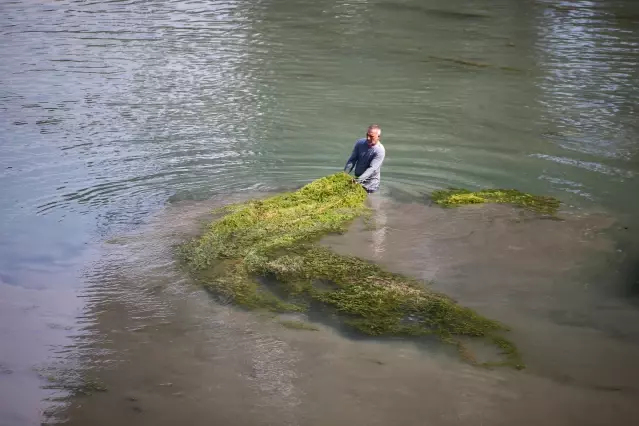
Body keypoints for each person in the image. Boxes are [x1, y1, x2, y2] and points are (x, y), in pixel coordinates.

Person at [343, 124, 386, 193]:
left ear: (378, 137)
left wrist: (357, 180)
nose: (368, 138)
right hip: (358, 180)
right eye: (367, 135)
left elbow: (372, 168)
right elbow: (352, 160)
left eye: (371, 136)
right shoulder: (360, 143)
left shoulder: (379, 151)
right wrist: (344, 174)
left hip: (370, 185)